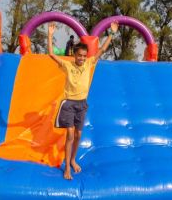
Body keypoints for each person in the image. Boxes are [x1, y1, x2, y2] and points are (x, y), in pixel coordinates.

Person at [47, 21, 119, 180]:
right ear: (74, 55)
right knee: (70, 135)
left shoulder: (88, 64)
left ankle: (73, 159)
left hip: (81, 104)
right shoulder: (67, 65)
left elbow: (102, 49)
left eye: (84, 56)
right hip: (69, 104)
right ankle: (67, 168)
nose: (81, 58)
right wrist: (50, 35)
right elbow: (52, 55)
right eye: (79, 55)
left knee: (79, 135)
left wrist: (112, 34)